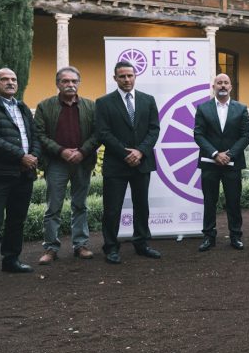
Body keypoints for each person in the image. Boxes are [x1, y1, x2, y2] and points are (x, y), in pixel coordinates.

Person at [95, 61, 162, 264]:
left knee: (141, 205)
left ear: (135, 76)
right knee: (112, 208)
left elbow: (154, 129)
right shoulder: (104, 102)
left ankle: (141, 244)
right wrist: (126, 153)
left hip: (142, 162)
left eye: (130, 75)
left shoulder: (148, 100)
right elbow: (103, 133)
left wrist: (140, 152)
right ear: (115, 78)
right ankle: (111, 248)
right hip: (116, 164)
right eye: (122, 76)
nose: (127, 79)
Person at [0, 68, 41, 284]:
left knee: (17, 219)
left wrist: (33, 156)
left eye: (13, 79)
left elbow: (34, 136)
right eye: (4, 79)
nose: (10, 82)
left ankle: (11, 259)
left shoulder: (23, 106)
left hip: (24, 173)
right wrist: (21, 157)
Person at [34, 66, 99, 264]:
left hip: (82, 162)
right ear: (57, 84)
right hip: (56, 163)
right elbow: (39, 134)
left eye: (74, 81)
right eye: (65, 81)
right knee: (53, 207)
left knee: (80, 205)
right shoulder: (45, 106)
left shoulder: (91, 106)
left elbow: (98, 133)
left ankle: (80, 245)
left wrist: (82, 152)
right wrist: (61, 150)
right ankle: (51, 248)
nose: (70, 85)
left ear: (79, 83)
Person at [194, 74, 249, 252]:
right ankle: (208, 237)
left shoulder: (241, 109)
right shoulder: (203, 108)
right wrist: (214, 154)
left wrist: (229, 154)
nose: (223, 85)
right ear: (213, 86)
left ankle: (235, 236)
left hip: (232, 163)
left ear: (231, 87)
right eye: (219, 83)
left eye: (226, 82)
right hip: (209, 163)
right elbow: (199, 134)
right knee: (209, 201)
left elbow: (246, 135)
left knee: (233, 201)